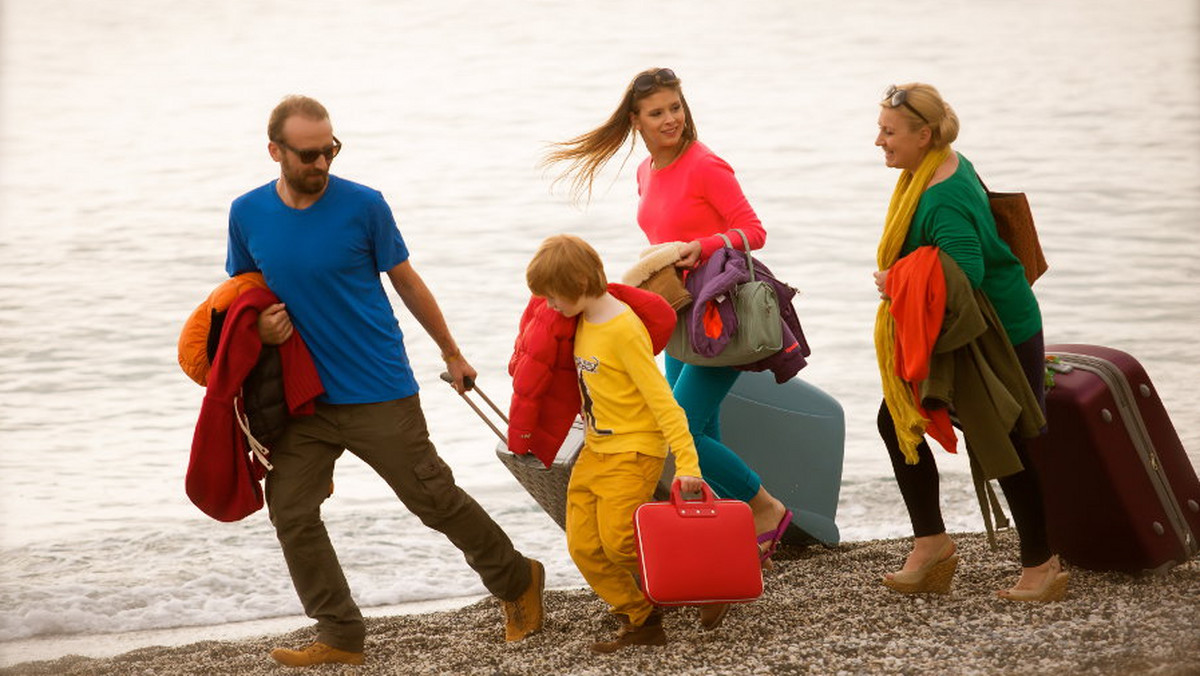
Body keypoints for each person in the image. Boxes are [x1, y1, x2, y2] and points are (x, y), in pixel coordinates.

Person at [225, 95, 545, 667]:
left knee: (432, 498)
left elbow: (406, 281)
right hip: (303, 397)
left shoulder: (364, 206)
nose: (321, 163)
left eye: (330, 150)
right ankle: (340, 634)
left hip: (377, 386)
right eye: (308, 154)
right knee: (292, 511)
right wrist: (263, 337)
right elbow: (243, 297)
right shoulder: (247, 214)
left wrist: (452, 352)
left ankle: (518, 580)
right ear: (275, 151)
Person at [543, 67, 793, 564]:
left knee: (676, 427)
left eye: (675, 108)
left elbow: (753, 231)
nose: (670, 119)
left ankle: (766, 509)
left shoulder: (705, 165)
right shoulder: (646, 171)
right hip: (679, 313)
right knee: (705, 428)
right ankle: (728, 528)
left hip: (719, 314)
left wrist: (695, 248)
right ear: (636, 120)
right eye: (657, 113)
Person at [871, 83, 1068, 602]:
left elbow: (967, 271)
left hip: (995, 333)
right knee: (897, 419)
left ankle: (1042, 566)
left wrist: (896, 282)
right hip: (972, 330)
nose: (879, 141)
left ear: (924, 134)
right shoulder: (940, 164)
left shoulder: (940, 198)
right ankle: (932, 543)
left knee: (1004, 441)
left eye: (889, 132)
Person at [524, 234, 711, 652]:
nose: (549, 306)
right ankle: (641, 618)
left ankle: (702, 580)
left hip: (634, 450)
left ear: (578, 284)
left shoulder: (623, 328)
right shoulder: (578, 320)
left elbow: (665, 403)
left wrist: (688, 465)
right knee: (584, 547)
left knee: (621, 542)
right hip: (595, 451)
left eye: (554, 297)